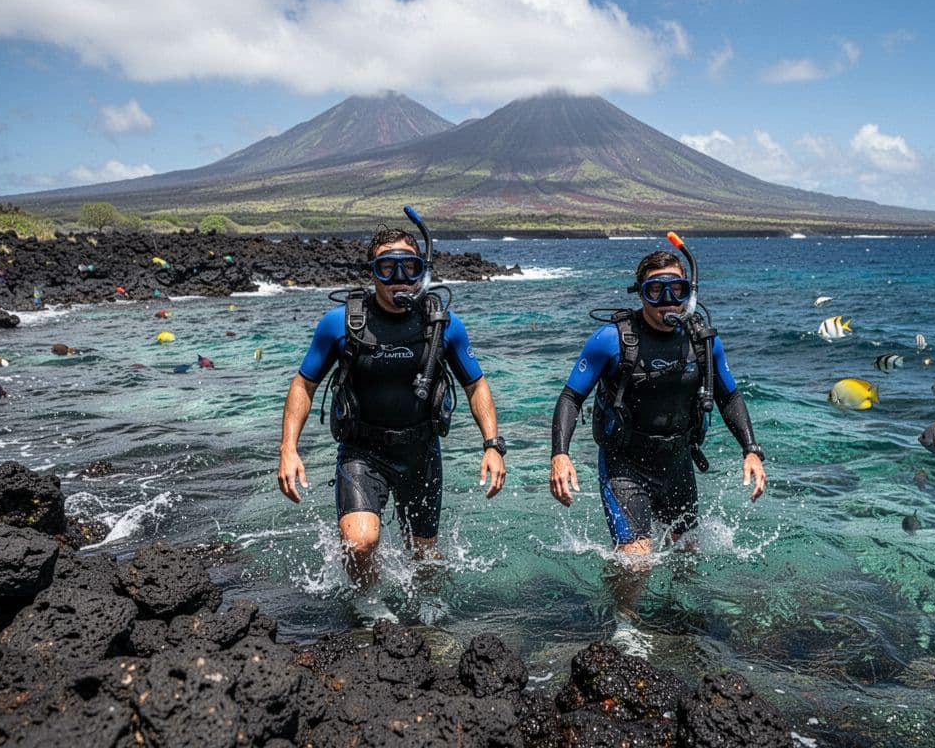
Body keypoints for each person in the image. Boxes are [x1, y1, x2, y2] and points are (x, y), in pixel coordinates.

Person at [279, 222, 506, 620]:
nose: (399, 279)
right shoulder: (341, 323)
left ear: (422, 270)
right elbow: (304, 384)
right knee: (361, 542)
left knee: (424, 553)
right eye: (387, 268)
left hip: (421, 451)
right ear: (372, 272)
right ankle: (367, 602)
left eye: (409, 267)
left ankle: (430, 611)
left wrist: (492, 445)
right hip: (362, 451)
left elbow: (476, 385)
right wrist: (288, 449)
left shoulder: (442, 324)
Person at [549, 245, 766, 651]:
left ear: (689, 292)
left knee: (687, 551)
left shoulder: (703, 341)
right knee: (637, 558)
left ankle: (678, 610)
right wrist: (559, 454)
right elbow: (569, 398)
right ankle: (623, 620)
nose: (668, 302)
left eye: (676, 290)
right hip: (625, 463)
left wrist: (751, 449)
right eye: (656, 291)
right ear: (640, 293)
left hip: (678, 460)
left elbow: (730, 396)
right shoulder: (610, 341)